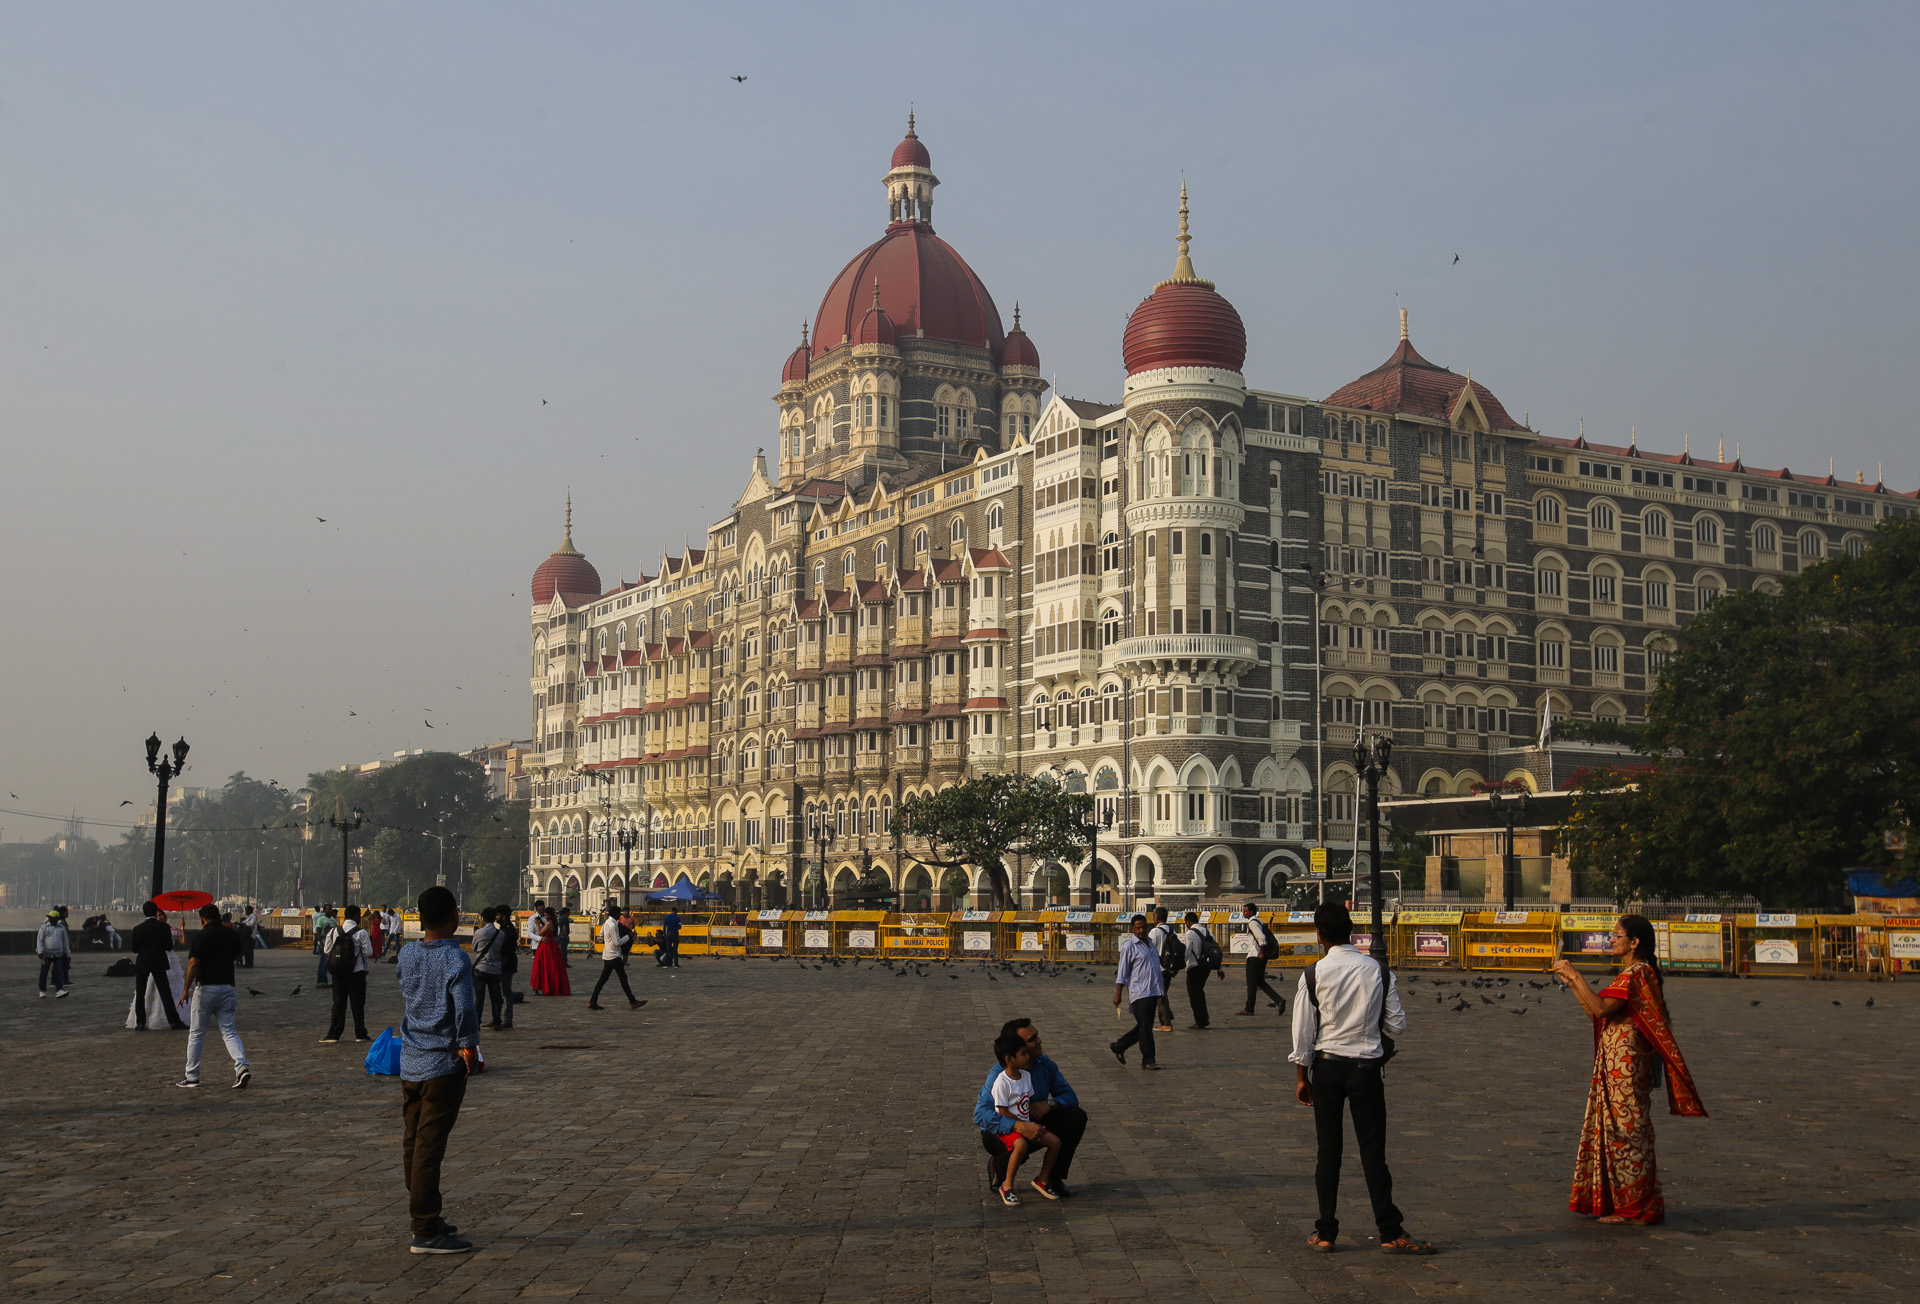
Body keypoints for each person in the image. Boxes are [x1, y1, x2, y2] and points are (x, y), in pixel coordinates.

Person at [1289, 902, 1430, 1255]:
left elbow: (1303, 1035)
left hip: (1328, 1067)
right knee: (1373, 1154)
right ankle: (1389, 1230)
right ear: (1351, 930)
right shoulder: (1377, 971)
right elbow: (1397, 1024)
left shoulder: (1314, 974)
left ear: (1320, 936)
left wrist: (1301, 1078)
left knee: (1328, 1153)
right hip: (1366, 1068)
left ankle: (1325, 1231)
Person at [1551, 915, 1707, 1226]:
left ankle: (1639, 1206)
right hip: (1615, 1065)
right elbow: (1594, 1010)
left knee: (1628, 1133)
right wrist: (1571, 983)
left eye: (1617, 935)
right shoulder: (1630, 974)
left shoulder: (1638, 973)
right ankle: (1622, 1203)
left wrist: (1574, 973)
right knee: (1615, 1132)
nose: (1612, 939)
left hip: (1627, 1067)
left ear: (1634, 942)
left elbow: (1600, 1008)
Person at [396, 885, 479, 1254]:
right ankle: (425, 1226)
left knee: (413, 1141)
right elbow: (463, 1008)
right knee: (429, 1147)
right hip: (443, 1061)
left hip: (411, 1058)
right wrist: (469, 1046)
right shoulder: (455, 959)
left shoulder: (407, 954)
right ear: (453, 918)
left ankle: (426, 1209)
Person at [974, 1018, 1088, 1197]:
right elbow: (981, 1114)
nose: (1039, 1041)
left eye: (1037, 1036)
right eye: (1032, 1039)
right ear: (1014, 1052)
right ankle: (998, 1166)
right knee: (1020, 1144)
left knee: (1075, 1116)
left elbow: (1070, 1096)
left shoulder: (1044, 1064)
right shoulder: (999, 1075)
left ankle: (1050, 1178)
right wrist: (1019, 1126)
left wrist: (1050, 1104)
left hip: (1031, 1119)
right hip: (1000, 1129)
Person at [177, 904, 251, 1090]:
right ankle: (241, 1066)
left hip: (206, 988)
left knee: (197, 1033)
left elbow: (194, 963)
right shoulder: (231, 934)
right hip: (227, 987)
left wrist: (186, 988)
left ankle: (192, 1076)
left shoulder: (201, 936)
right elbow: (237, 953)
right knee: (229, 1031)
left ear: (202, 919)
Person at [989, 1028, 1065, 1205]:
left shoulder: (1025, 1076)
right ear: (1009, 1059)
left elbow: (1027, 1101)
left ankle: (1043, 1179)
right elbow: (1001, 1111)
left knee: (1055, 1142)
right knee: (1020, 1144)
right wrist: (1022, 1125)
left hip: (1026, 1123)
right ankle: (1007, 1185)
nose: (1028, 1057)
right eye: (1023, 1054)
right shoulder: (1001, 1081)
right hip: (1010, 1127)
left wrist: (1040, 1114)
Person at [1108, 914, 1166, 1070]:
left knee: (1144, 1025)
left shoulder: (1151, 944)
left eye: (1143, 927)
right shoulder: (1129, 947)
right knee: (1145, 1026)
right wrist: (1118, 994)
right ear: (1132, 929)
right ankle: (1148, 1059)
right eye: (1138, 927)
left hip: (1153, 991)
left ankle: (1119, 1046)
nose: (1141, 930)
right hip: (1139, 992)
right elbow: (1122, 973)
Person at [129, 900, 188, 1030]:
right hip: (159, 961)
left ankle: (140, 1022)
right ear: (155, 912)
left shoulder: (137, 928)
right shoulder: (163, 927)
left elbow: (134, 949)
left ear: (144, 912)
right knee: (165, 992)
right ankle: (174, 1021)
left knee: (140, 993)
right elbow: (168, 946)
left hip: (143, 961)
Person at [321, 904, 375, 1043]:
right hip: (357, 972)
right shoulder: (361, 932)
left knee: (338, 1003)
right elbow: (368, 953)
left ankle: (334, 1034)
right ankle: (360, 1034)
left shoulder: (334, 931)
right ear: (356, 915)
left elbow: (327, 951)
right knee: (357, 1005)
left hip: (338, 973)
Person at [588, 904, 645, 1011]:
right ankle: (632, 1001)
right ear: (615, 914)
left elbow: (601, 934)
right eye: (619, 913)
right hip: (613, 955)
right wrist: (628, 936)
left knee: (603, 979)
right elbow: (617, 942)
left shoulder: (607, 923)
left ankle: (593, 1000)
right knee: (623, 979)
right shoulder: (613, 925)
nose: (620, 915)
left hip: (608, 954)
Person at [1238, 900, 1287, 1017]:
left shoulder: (1252, 923)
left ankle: (1249, 1008)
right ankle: (1278, 1000)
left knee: (1251, 983)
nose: (1243, 913)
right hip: (1259, 956)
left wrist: (1261, 952)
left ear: (1251, 912)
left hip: (1255, 956)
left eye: (1245, 911)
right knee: (1259, 982)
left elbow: (1261, 938)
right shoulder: (1259, 921)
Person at [471, 907, 513, 1030]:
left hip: (481, 968)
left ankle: (477, 1022)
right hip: (495, 968)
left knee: (479, 998)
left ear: (483, 919)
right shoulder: (500, 934)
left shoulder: (479, 933)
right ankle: (496, 1020)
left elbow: (474, 947)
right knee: (496, 997)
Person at [1181, 910, 1220, 1029]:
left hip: (1194, 966)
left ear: (1188, 922)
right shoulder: (1208, 931)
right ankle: (1203, 1018)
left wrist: (1181, 965)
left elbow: (1187, 950)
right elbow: (1215, 950)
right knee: (1199, 993)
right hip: (1206, 967)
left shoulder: (1190, 934)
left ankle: (1200, 1020)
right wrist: (1219, 967)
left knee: (1194, 995)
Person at [1146, 906, 1178, 1030]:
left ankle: (1166, 1022)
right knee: (1162, 993)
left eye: (1153, 915)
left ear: (1157, 917)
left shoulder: (1155, 931)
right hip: (1169, 968)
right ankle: (1168, 1015)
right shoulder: (1171, 931)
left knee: (1160, 995)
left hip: (1159, 967)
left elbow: (1149, 948)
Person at [530, 906, 570, 995]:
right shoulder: (555, 922)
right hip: (552, 945)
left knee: (545, 966)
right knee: (553, 966)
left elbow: (540, 933)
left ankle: (547, 986)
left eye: (547, 915)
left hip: (546, 945)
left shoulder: (549, 923)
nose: (546, 916)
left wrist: (537, 924)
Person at [36, 910, 71, 998]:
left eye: (52, 918)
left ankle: (59, 990)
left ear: (56, 918)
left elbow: (65, 942)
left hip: (58, 954)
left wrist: (68, 954)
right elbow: (39, 940)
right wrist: (40, 951)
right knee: (44, 972)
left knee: (58, 972)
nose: (50, 919)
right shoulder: (44, 928)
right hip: (46, 954)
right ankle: (42, 990)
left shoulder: (61, 928)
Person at [311, 907, 337, 989]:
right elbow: (318, 933)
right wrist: (321, 944)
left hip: (332, 944)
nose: (329, 910)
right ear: (324, 911)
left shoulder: (333, 920)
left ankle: (325, 980)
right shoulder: (321, 920)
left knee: (329, 963)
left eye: (330, 909)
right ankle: (320, 981)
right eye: (328, 909)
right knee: (323, 962)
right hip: (324, 943)